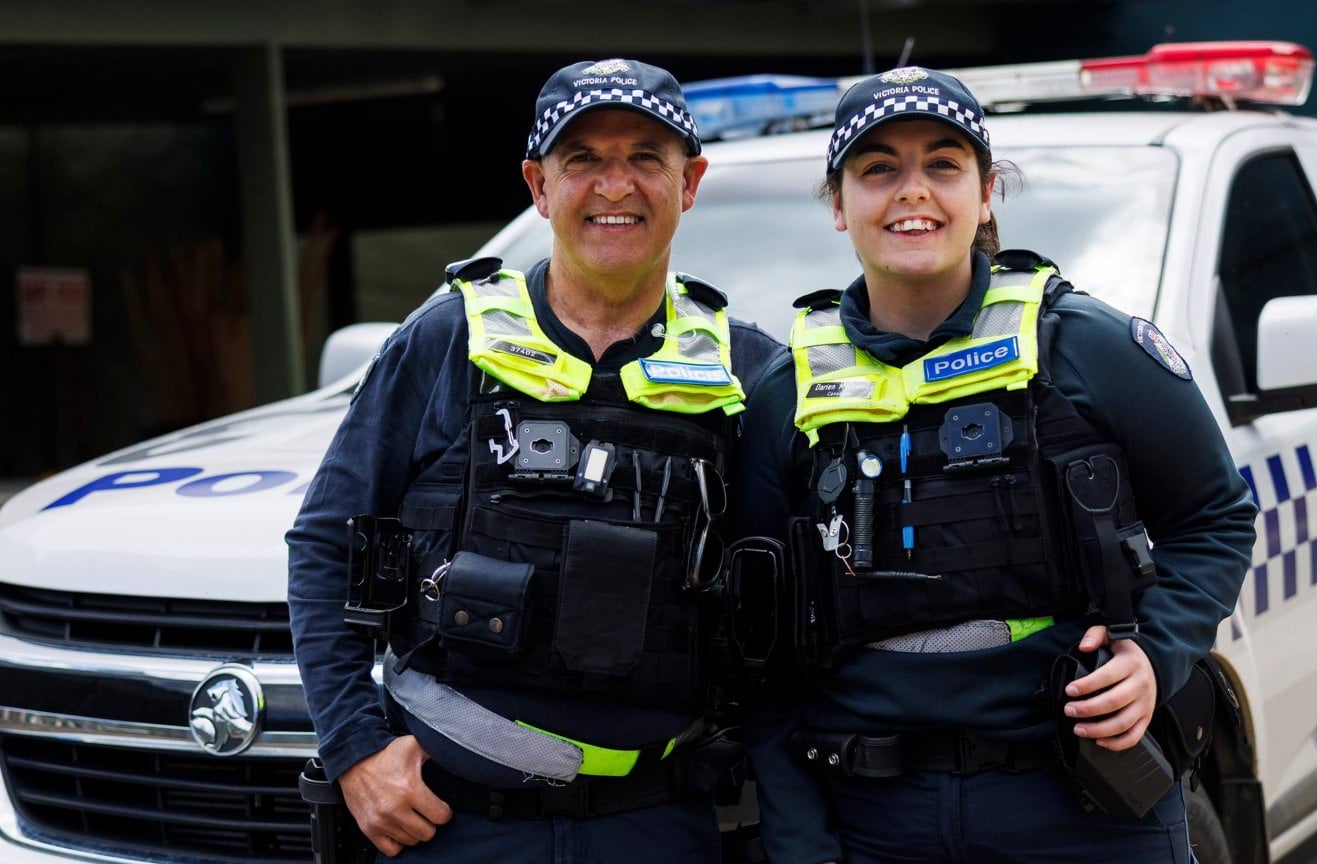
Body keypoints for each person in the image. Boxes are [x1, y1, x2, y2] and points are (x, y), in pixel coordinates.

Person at [730, 67, 1258, 863]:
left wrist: (1155, 653)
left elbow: (1214, 517)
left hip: (1088, 810)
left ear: (984, 195)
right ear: (838, 204)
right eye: (879, 169)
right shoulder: (787, 394)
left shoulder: (1089, 349)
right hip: (877, 821)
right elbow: (761, 659)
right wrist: (802, 847)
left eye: (944, 164)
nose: (914, 191)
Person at [288, 58, 780, 862]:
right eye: (582, 159)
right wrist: (354, 748)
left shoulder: (747, 371)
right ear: (539, 185)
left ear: (689, 182)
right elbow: (323, 544)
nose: (614, 186)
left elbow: (792, 609)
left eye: (645, 159)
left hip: (659, 823)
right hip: (453, 825)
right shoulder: (447, 341)